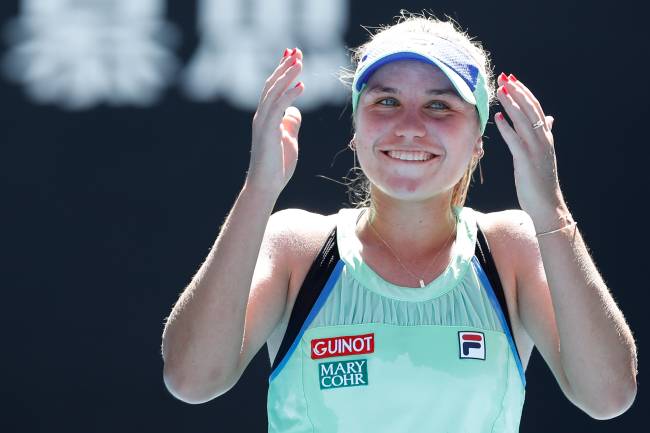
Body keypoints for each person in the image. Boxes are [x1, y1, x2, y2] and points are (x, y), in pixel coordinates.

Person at [161, 13, 638, 432]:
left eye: (439, 105)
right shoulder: (296, 247)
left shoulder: (511, 247)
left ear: (479, 139)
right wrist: (258, 190)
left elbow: (607, 398)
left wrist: (549, 211)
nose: (409, 125)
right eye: (386, 102)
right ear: (355, 127)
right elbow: (192, 381)